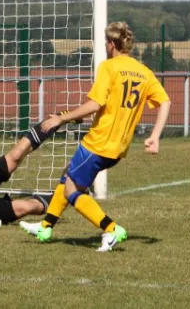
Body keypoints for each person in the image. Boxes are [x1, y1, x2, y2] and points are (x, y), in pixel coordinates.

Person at [19, 21, 172, 252]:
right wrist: (155, 136)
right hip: (118, 148)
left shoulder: (109, 67)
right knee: (67, 174)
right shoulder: (144, 72)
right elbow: (165, 101)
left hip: (98, 143)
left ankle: (110, 229)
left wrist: (63, 118)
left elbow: (95, 103)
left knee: (72, 190)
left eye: (105, 42)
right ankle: (45, 226)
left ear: (111, 44)